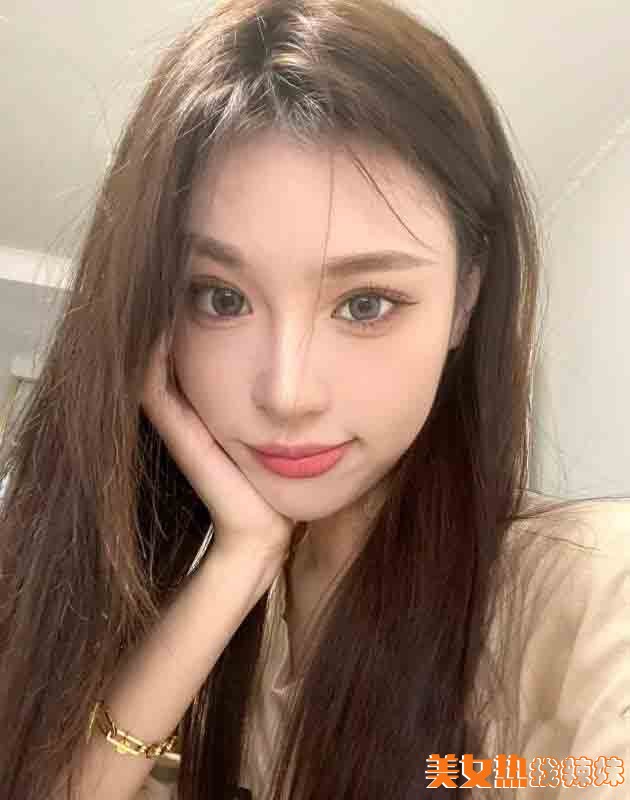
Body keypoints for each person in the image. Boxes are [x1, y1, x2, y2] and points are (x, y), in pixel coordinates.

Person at [0, 0, 628, 798]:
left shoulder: (594, 595)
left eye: (366, 303)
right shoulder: (216, 593)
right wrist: (238, 562)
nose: (286, 393)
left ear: (464, 303)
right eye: (220, 297)